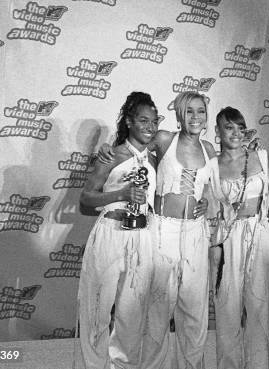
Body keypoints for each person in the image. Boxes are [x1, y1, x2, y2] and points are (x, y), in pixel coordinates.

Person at [98, 91, 216, 369]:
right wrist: (106, 150)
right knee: (158, 308)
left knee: (195, 311)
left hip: (196, 233)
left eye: (201, 111)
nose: (195, 117)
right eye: (189, 111)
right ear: (179, 115)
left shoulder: (210, 149)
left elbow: (211, 184)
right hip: (163, 230)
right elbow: (132, 148)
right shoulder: (164, 139)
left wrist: (207, 200)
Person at [209, 106, 269, 369]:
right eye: (229, 127)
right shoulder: (211, 165)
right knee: (226, 308)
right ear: (218, 131)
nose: (236, 133)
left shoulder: (260, 157)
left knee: (258, 306)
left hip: (260, 236)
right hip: (228, 240)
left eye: (240, 127)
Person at [77, 91, 158, 368]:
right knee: (98, 308)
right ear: (129, 122)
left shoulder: (155, 158)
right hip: (111, 232)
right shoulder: (111, 155)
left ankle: (123, 365)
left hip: (142, 237)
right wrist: (120, 193)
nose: (149, 126)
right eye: (143, 120)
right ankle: (94, 364)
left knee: (131, 313)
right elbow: (87, 198)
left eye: (154, 121)